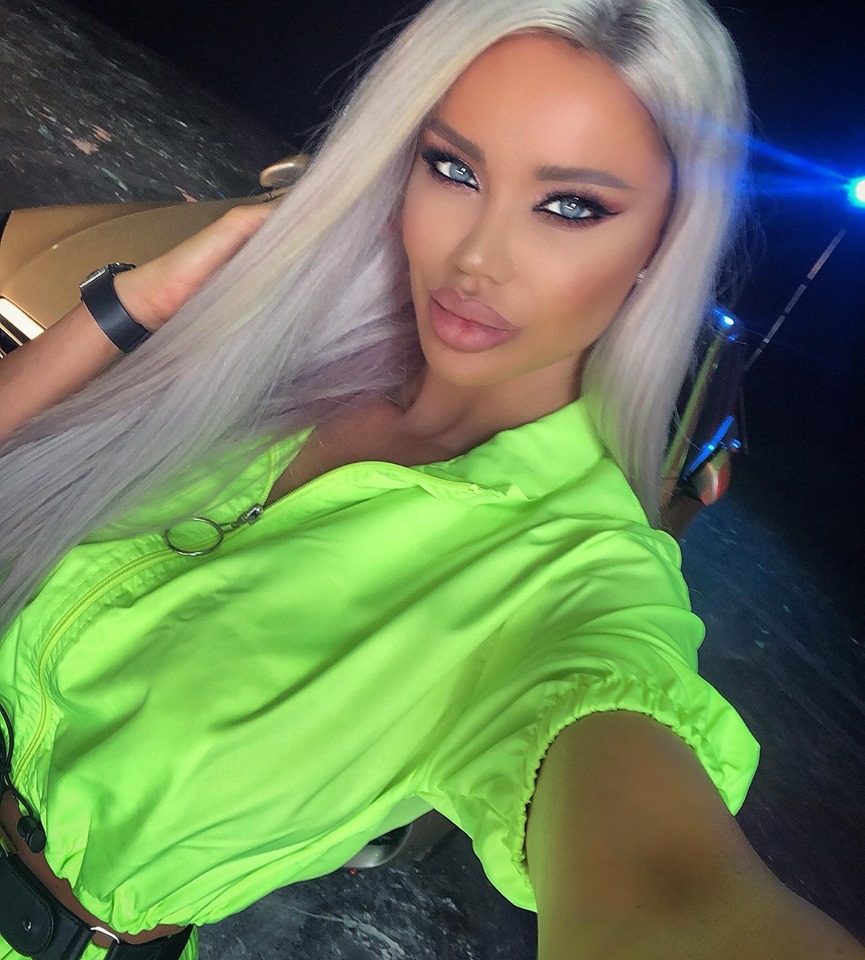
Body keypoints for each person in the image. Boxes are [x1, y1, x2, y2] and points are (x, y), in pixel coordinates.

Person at [0, 0, 862, 958]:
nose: (474, 258)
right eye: (453, 168)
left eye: (570, 206)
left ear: (661, 245)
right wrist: (135, 304)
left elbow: (671, 894)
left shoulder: (577, 581)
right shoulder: (275, 358)